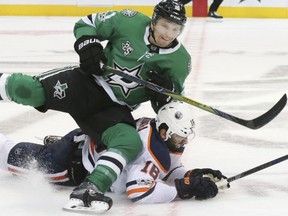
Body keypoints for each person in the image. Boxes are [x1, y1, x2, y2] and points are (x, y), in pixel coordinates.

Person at [0, 0, 191, 211]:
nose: (168, 34)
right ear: (154, 21)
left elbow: (170, 111)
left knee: (128, 141)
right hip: (86, 84)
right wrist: (88, 47)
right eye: (165, 25)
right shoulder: (130, 21)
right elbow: (86, 23)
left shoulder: (180, 61)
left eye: (176, 29)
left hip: (112, 109)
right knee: (29, 91)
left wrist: (163, 95)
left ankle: (90, 188)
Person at [0, 101, 228, 213]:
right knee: (9, 154)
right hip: (68, 165)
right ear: (165, 131)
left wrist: (192, 175)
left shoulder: (160, 135)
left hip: (88, 146)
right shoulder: (152, 148)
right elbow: (138, 191)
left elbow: (164, 170)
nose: (184, 141)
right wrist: (183, 188)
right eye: (180, 136)